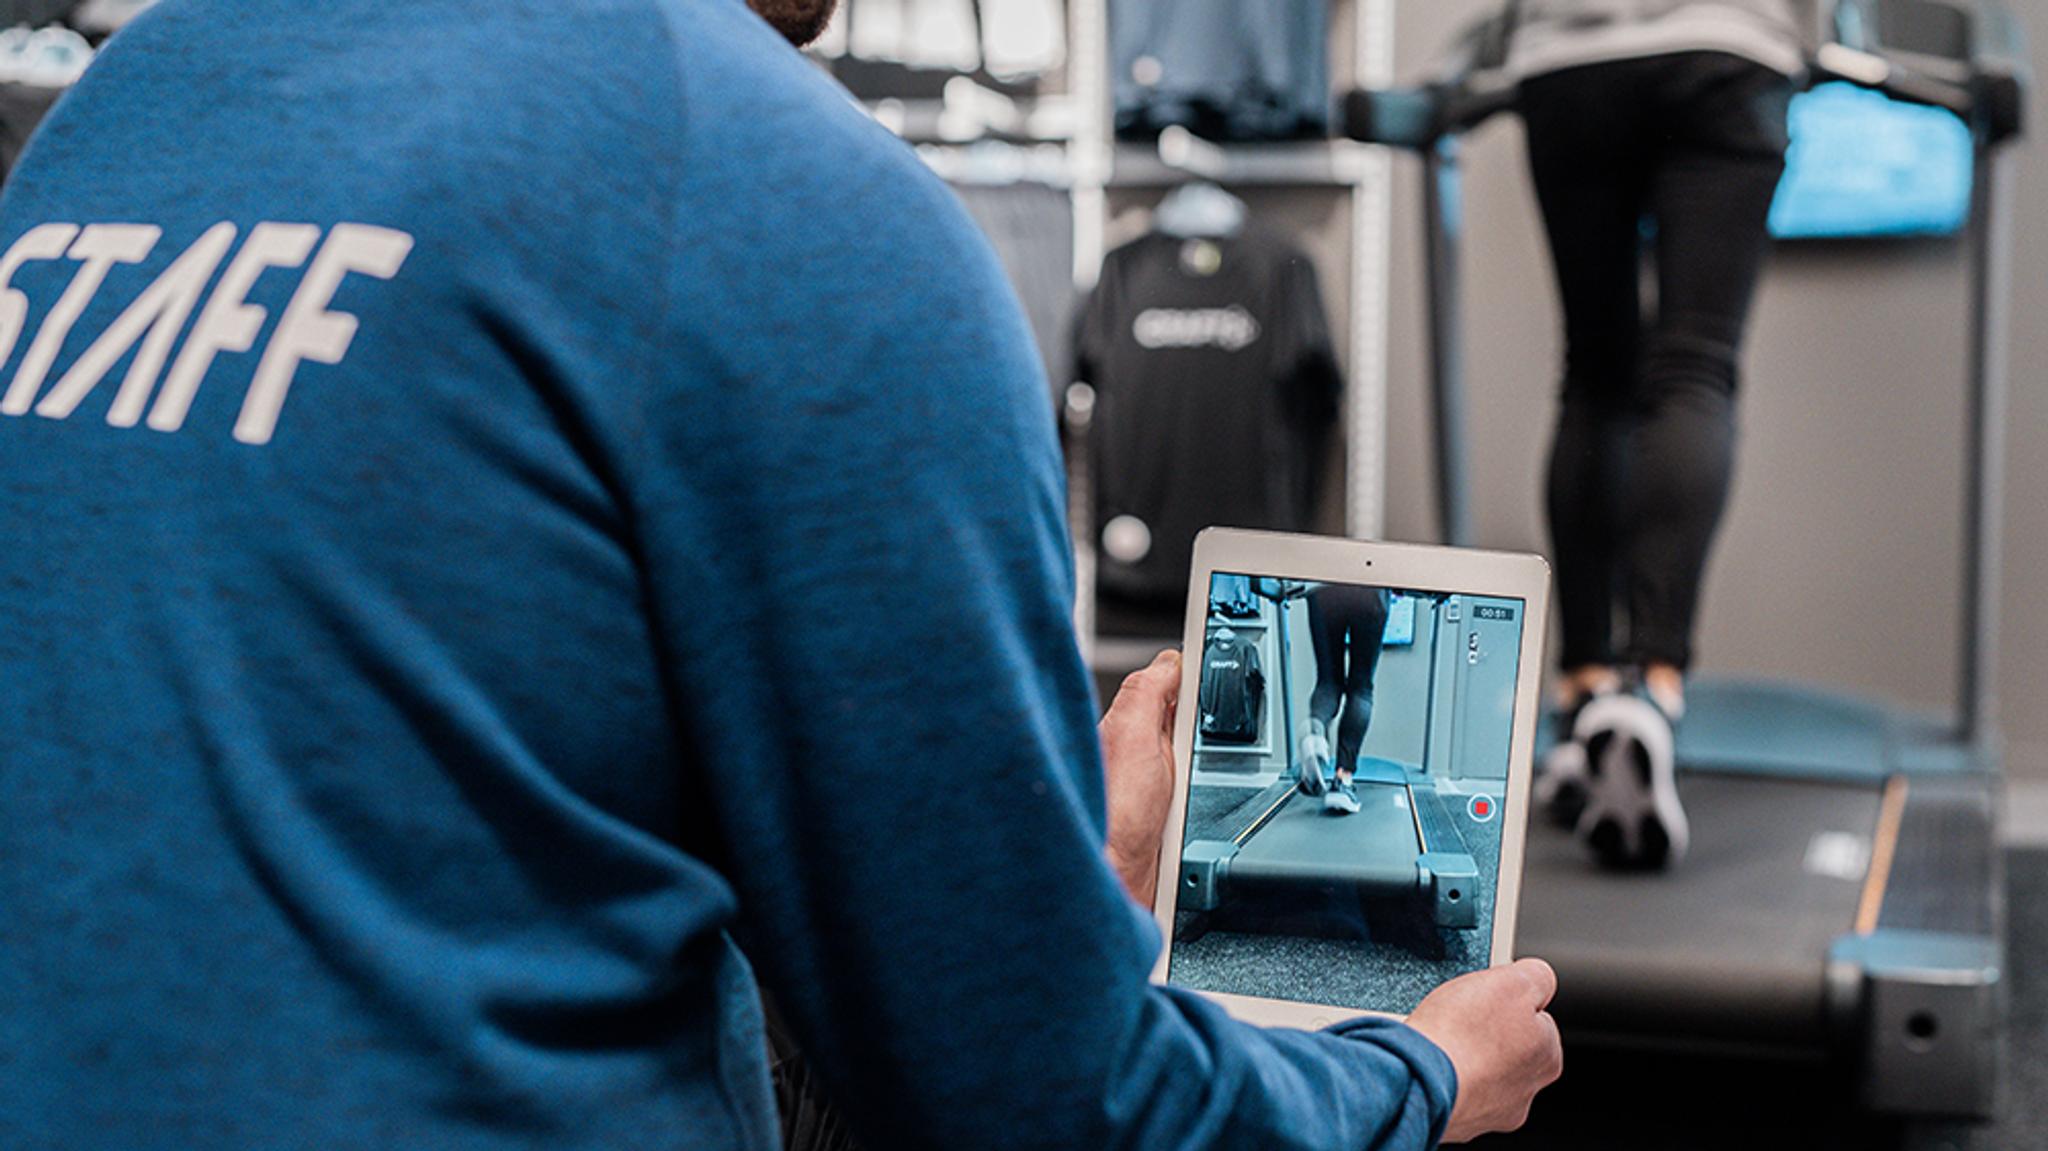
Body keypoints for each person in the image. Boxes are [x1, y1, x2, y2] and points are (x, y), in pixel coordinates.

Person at [0, 0, 1560, 1147]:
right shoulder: (790, 202)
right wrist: (1417, 1075)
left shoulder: (121, 110)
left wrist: (1035, 871)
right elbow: (1047, 1102)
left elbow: (390, 821)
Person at [1510, 0, 1807, 868]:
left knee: (1595, 377)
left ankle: (1584, 697)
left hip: (1568, 61)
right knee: (1695, 366)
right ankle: (1650, 688)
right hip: (1723, 47)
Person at [1298, 583, 1393, 814]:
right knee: (1360, 687)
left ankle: (1315, 735)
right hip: (1371, 588)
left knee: (1328, 682)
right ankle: (1343, 780)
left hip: (1323, 586)